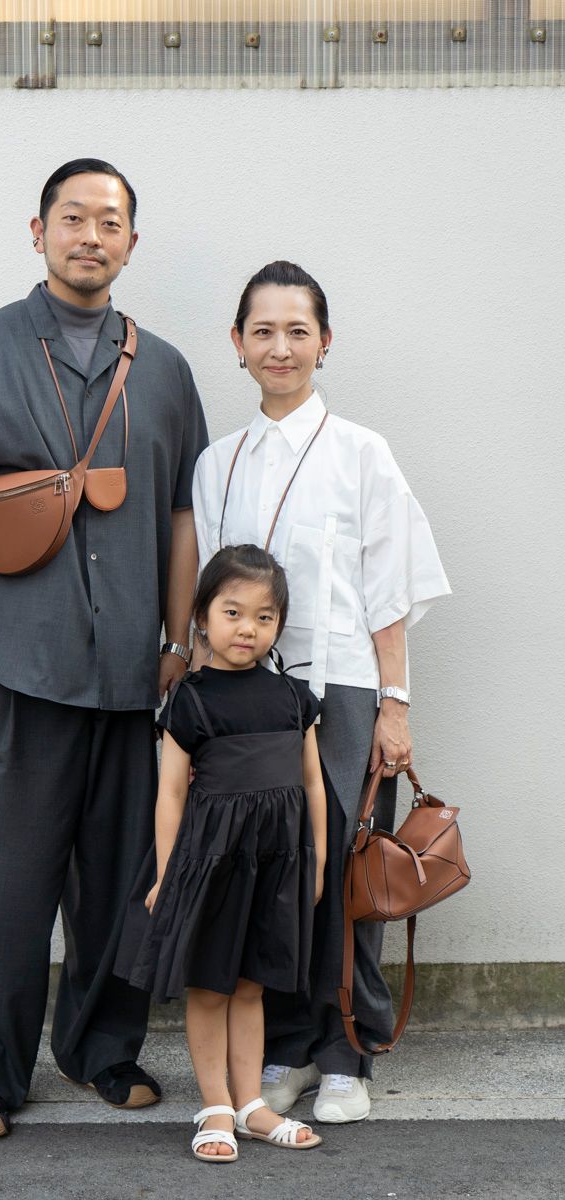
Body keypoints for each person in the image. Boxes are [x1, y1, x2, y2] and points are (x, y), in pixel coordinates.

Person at [0, 159, 208, 1138]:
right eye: (72, 218)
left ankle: (103, 1050)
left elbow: (184, 511)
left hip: (127, 674)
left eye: (108, 221)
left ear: (129, 243)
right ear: (37, 231)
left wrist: (180, 639)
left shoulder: (161, 370)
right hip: (2, 667)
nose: (90, 236)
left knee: (120, 882)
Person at [192, 261, 451, 1124]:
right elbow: (208, 591)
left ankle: (348, 1051)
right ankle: (289, 1047)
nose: (280, 346)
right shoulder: (216, 462)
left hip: (338, 685)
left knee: (341, 863)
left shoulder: (360, 452)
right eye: (262, 330)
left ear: (325, 342)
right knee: (268, 870)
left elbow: (389, 586)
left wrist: (395, 701)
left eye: (298, 330)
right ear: (237, 345)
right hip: (246, 697)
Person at [116, 545, 327, 1162]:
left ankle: (252, 1106)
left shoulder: (293, 698)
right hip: (211, 862)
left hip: (276, 861)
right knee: (210, 986)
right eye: (233, 612)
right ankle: (213, 1106)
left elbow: (312, 782)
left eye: (265, 617)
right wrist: (166, 872)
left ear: (279, 626)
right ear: (202, 618)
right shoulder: (191, 699)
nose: (248, 628)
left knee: (253, 985)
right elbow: (171, 794)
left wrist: (312, 862)